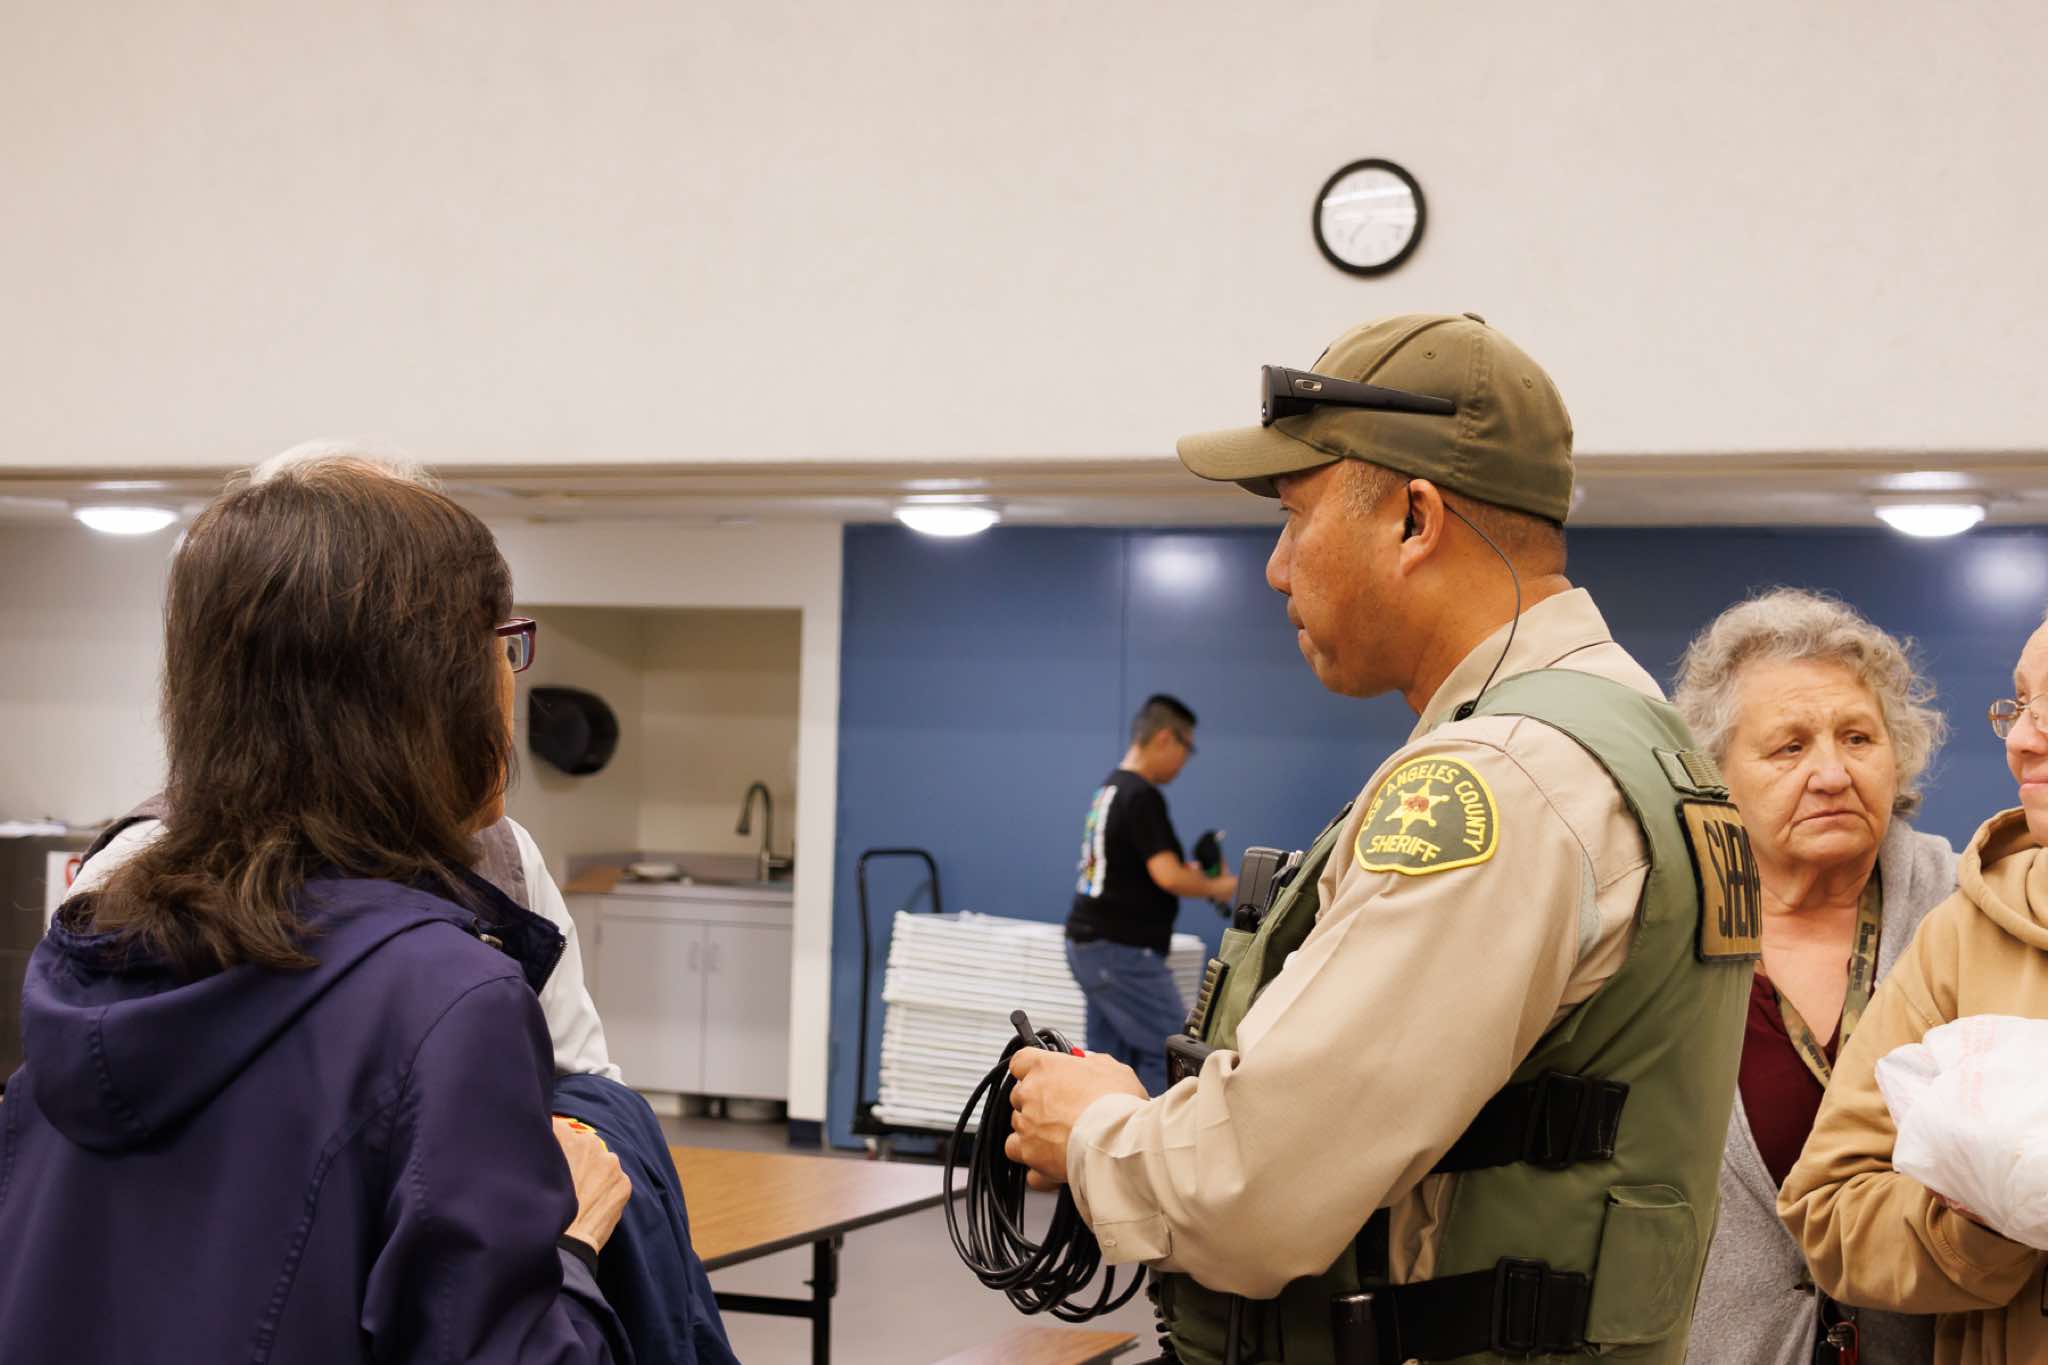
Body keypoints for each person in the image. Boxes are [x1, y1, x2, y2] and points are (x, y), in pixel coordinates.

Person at [1005, 313, 1759, 1365]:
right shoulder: (1635, 731)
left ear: (1414, 518)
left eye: (1294, 515)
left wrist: (1095, 1129)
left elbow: (1250, 1192)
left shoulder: (1503, 777)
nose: (1276, 568)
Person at [0, 457, 632, 1362]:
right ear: (434, 688)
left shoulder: (89, 952)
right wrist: (566, 1251)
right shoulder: (445, 1000)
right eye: (505, 643)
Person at [64, 441, 619, 1084]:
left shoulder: (503, 860)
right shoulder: (136, 875)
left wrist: (586, 1128)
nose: (502, 684)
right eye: (483, 647)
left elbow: (585, 1085)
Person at [1674, 589, 1952, 1365]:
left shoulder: (1970, 911)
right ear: (1716, 773)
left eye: (1858, 737)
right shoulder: (1656, 929)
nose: (1831, 772)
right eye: (1788, 747)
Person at [1780, 609, 2048, 1364]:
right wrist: (1995, 1210)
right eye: (2021, 704)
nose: (2023, 738)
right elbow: (1830, 1211)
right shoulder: (1969, 931)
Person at [1066, 693, 1237, 1094]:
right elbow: (1168, 877)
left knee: (1109, 1065)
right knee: (1172, 1055)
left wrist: (1188, 873)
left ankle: (1103, 1131)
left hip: (1091, 947)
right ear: (1165, 738)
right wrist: (1225, 886)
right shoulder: (1142, 795)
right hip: (1121, 952)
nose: (1184, 761)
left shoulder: (1111, 789)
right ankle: (1154, 1136)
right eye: (1187, 748)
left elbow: (1133, 868)